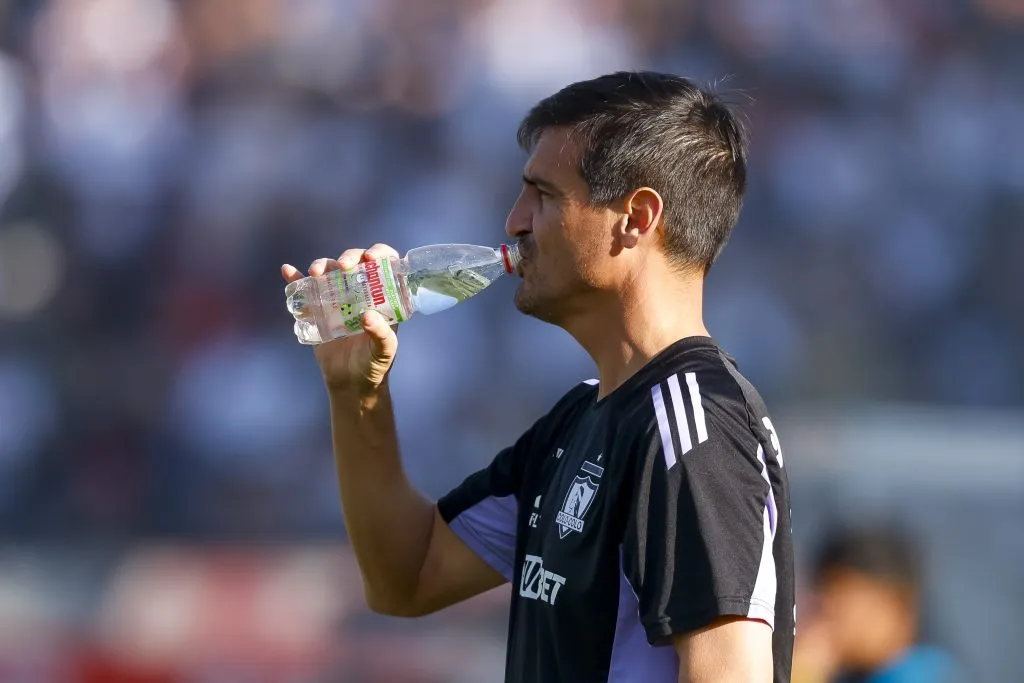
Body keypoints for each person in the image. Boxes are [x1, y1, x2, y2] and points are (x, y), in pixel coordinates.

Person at [281, 71, 795, 683]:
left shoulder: (692, 425)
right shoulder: (579, 422)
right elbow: (405, 577)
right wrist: (356, 393)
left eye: (542, 195)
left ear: (636, 217)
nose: (514, 221)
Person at [792, 526, 959, 683]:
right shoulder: (857, 673)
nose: (824, 621)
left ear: (896, 607)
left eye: (841, 605)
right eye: (821, 603)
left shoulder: (920, 676)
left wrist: (805, 673)